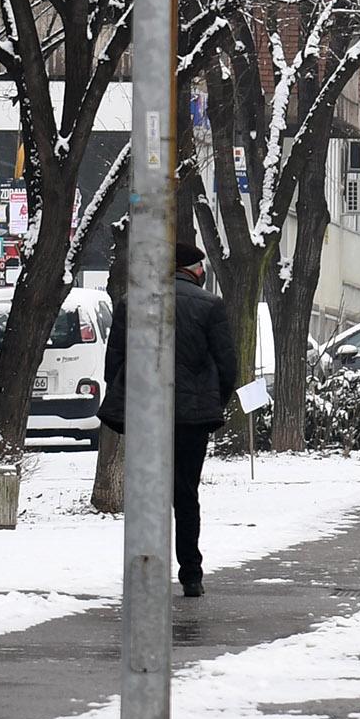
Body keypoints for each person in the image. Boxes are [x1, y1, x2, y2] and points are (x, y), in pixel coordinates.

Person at [100, 240, 242, 598]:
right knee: (186, 494)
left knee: (149, 492)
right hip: (193, 420)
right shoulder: (210, 306)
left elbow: (113, 363)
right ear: (194, 270)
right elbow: (228, 366)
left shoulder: (132, 304)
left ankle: (147, 572)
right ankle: (191, 573)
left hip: (145, 415)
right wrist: (213, 402)